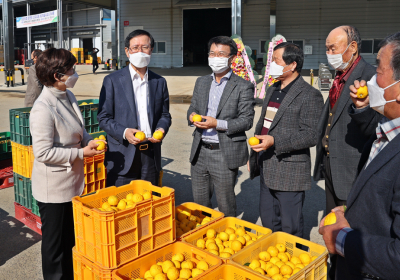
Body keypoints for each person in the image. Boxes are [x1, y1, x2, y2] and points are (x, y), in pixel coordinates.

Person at [319, 32, 400, 280]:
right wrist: (347, 210)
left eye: (379, 68)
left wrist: (340, 238)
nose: (373, 77)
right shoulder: (389, 128)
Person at [30, 48, 106, 280]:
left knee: (68, 241)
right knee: (55, 248)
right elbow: (43, 153)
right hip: (53, 189)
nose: (75, 73)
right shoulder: (43, 108)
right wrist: (81, 153)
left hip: (72, 183)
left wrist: (88, 140)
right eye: (71, 69)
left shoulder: (68, 96)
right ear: (57, 75)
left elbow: (78, 128)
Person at [248, 43, 323, 237]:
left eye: (276, 61)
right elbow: (263, 125)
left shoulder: (310, 95)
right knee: (268, 223)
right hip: (266, 165)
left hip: (290, 172)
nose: (270, 65)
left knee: (291, 228)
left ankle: (293, 262)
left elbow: (310, 134)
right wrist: (253, 158)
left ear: (292, 65)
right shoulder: (273, 89)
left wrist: (275, 141)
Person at [187, 36, 255, 217]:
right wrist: (192, 116)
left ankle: (227, 234)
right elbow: (193, 107)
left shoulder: (243, 86)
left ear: (231, 58)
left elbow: (246, 120)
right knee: (200, 202)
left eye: (221, 54)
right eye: (212, 53)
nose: (216, 58)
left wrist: (217, 123)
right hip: (200, 150)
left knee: (225, 203)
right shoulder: (201, 82)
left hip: (223, 152)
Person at [98, 29, 171, 187]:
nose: (140, 51)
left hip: (150, 154)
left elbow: (165, 115)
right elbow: (103, 118)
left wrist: (161, 129)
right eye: (135, 48)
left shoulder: (159, 81)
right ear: (127, 51)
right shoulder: (112, 80)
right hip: (122, 155)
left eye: (145, 47)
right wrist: (124, 132)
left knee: (148, 203)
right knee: (120, 205)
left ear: (151, 49)